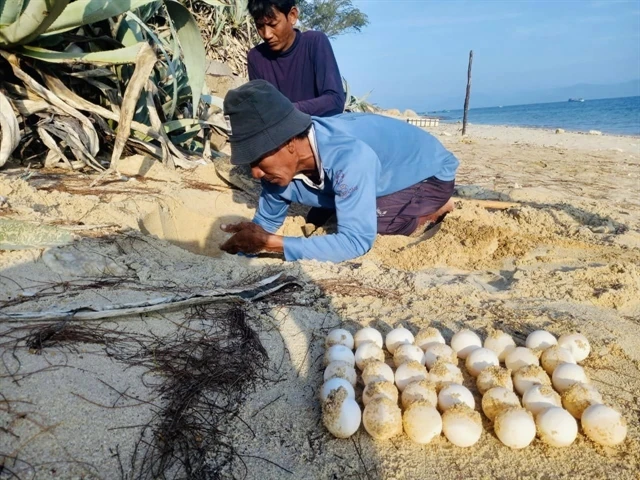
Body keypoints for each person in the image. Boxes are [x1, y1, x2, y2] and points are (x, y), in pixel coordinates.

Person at [219, 80, 458, 263]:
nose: (255, 173)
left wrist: (272, 244)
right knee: (338, 208)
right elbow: (267, 221)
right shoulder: (277, 168)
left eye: (258, 159)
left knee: (377, 224)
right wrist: (246, 244)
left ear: (289, 143)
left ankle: (435, 207)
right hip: (370, 171)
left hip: (429, 174)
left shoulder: (348, 157)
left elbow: (356, 242)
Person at [246, 0, 345, 117]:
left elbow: (335, 100)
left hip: (318, 128)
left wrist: (288, 110)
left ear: (292, 15)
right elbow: (262, 109)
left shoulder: (314, 42)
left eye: (273, 24)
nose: (267, 34)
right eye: (260, 26)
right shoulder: (256, 57)